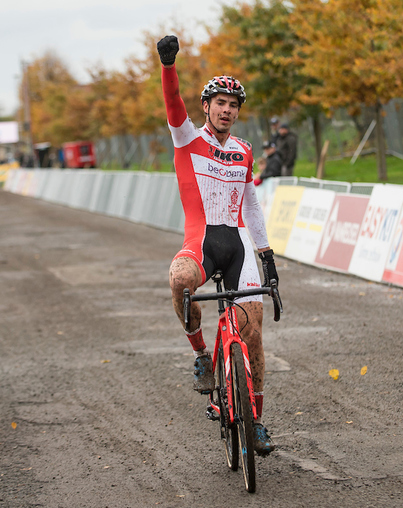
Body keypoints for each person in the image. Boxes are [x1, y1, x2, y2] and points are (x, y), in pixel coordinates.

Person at [157, 34, 279, 455]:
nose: (227, 110)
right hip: (202, 241)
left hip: (240, 246)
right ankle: (203, 355)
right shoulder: (187, 138)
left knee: (254, 335)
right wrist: (168, 65)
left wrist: (267, 257)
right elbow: (173, 103)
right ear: (206, 107)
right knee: (179, 279)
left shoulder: (245, 151)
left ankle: (258, 421)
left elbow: (253, 206)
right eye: (220, 103)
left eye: (234, 105)